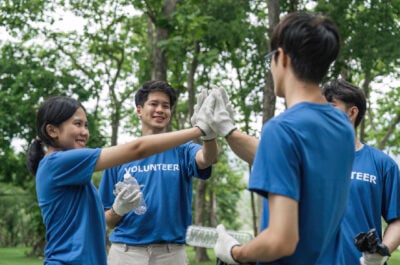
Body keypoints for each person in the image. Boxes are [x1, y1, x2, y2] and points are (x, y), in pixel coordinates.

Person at [196, 11, 356, 264]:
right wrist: (229, 132)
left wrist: (234, 252)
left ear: (281, 57)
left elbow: (281, 240)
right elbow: (294, 162)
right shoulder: (342, 126)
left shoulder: (281, 130)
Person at [26, 95, 212, 265]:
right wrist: (199, 129)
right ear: (52, 130)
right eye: (77, 124)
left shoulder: (68, 171)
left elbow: (87, 223)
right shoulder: (57, 163)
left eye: (86, 125)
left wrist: (118, 209)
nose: (84, 132)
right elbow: (137, 149)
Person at [98, 80, 218, 265]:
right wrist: (117, 209)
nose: (160, 110)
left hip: (171, 254)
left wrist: (208, 135)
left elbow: (206, 159)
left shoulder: (183, 150)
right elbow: (105, 220)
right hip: (125, 253)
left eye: (166, 106)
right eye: (154, 104)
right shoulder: (119, 155)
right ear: (139, 110)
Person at [320, 79, 400, 265]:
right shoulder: (310, 160)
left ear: (352, 112)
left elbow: (397, 220)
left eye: (330, 107)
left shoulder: (382, 164)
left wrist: (380, 253)